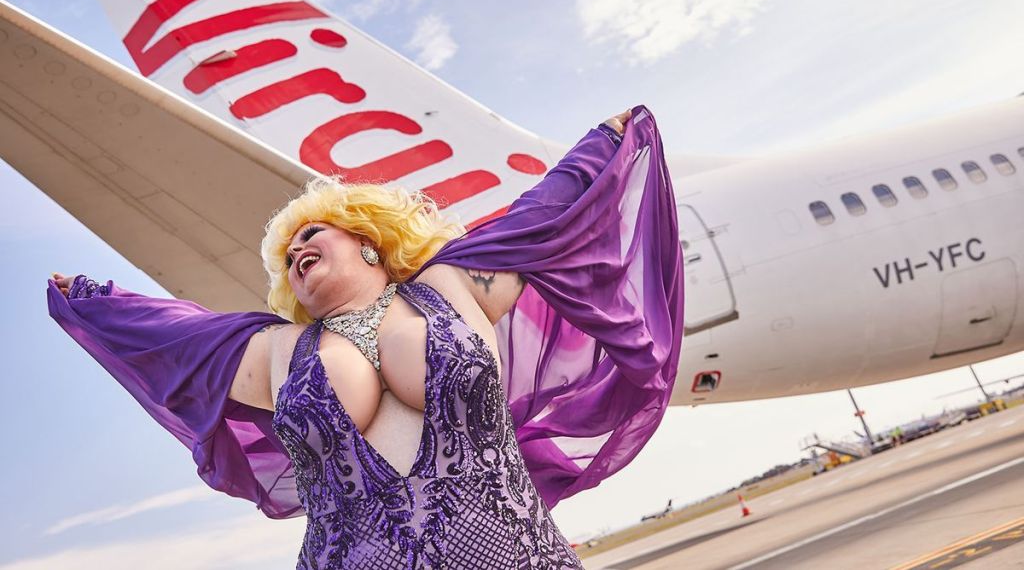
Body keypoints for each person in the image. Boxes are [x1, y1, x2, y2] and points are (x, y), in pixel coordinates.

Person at [49, 106, 683, 569]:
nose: (297, 253)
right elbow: (176, 338)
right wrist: (93, 297)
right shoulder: (276, 351)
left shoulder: (454, 287)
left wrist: (603, 143)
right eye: (287, 257)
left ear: (368, 240)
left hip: (515, 554)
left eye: (310, 236)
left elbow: (540, 217)